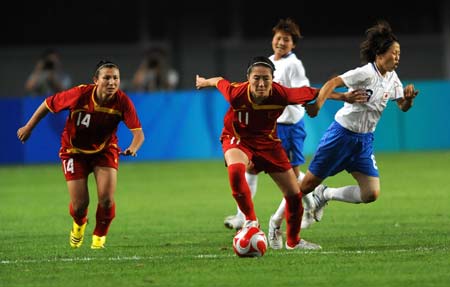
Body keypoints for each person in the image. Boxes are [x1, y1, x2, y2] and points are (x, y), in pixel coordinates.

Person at [195, 56, 357, 250]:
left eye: (266, 78)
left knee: (294, 195)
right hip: (238, 139)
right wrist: (205, 82)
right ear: (248, 78)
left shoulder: (281, 94)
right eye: (256, 78)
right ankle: (250, 222)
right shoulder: (236, 93)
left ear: (273, 79)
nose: (261, 83)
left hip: (268, 143)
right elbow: (219, 80)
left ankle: (293, 242)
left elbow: (313, 92)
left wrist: (344, 97)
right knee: (236, 172)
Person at [301, 20, 419, 226]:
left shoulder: (392, 78)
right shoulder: (365, 73)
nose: (398, 57)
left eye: (399, 53)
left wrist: (408, 99)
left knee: (371, 193)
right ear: (380, 54)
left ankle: (326, 194)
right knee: (305, 186)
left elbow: (403, 106)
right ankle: (276, 225)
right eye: (394, 52)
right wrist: (318, 105)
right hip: (341, 135)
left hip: (364, 140)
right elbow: (332, 82)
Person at [17, 60, 145, 249]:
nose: (112, 82)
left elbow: (138, 133)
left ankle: (99, 238)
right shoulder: (79, 94)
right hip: (73, 151)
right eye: (107, 78)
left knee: (107, 199)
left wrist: (134, 147)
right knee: (79, 205)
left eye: (115, 78)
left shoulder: (122, 101)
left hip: (104, 150)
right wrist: (28, 127)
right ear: (96, 80)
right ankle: (79, 224)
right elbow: (47, 104)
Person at [222, 18, 316, 243]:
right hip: (267, 127)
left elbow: (301, 92)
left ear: (293, 45)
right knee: (250, 170)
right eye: (278, 38)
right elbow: (223, 84)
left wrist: (327, 97)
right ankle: (245, 218)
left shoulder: (294, 64)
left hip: (289, 126)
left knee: (293, 178)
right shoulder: (269, 63)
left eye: (286, 40)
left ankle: (312, 202)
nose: (281, 43)